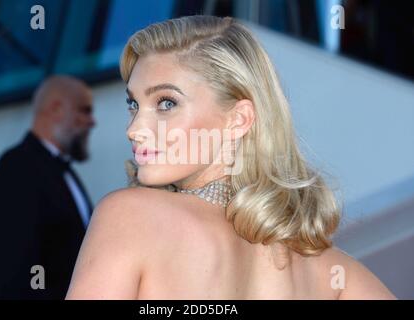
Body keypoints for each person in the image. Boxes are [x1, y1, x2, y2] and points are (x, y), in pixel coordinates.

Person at [66, 16, 396, 299]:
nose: (134, 128)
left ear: (238, 119)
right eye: (134, 105)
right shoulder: (328, 268)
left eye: (166, 103)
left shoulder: (130, 216)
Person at [0, 75, 96, 299]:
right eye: (84, 110)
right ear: (56, 109)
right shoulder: (19, 165)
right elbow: (21, 264)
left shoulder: (65, 173)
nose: (92, 121)